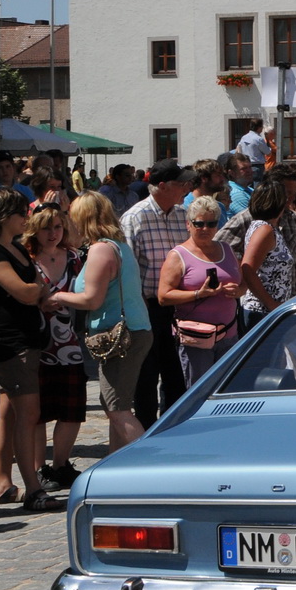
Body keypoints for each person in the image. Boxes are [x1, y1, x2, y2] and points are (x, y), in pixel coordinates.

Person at [0, 187, 59, 511]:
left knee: (8, 414)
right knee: (28, 414)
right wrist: (38, 289)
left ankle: (3, 485)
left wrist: (38, 288)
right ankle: (33, 489)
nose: (26, 218)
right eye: (21, 213)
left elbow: (40, 285)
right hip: (10, 344)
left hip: (26, 340)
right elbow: (26, 291)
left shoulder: (17, 247)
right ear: (4, 216)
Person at [57, 193, 152, 451]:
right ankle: (117, 463)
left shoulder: (101, 249)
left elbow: (91, 300)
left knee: (117, 407)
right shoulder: (117, 245)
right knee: (116, 403)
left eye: (71, 215)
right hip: (133, 330)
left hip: (121, 335)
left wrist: (56, 296)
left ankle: (149, 461)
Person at [118, 160, 195, 425]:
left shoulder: (182, 215)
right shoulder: (134, 218)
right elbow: (125, 271)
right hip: (146, 305)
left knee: (176, 374)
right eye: (180, 183)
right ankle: (147, 429)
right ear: (162, 186)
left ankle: (172, 427)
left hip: (178, 305)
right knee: (147, 376)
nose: (186, 187)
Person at [24, 205, 84, 492]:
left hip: (69, 343)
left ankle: (61, 464)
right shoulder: (25, 257)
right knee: (37, 412)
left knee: (71, 408)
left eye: (57, 227)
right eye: (46, 227)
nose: (52, 233)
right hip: (35, 343)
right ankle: (39, 468)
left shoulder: (74, 258)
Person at [158, 195, 245, 385]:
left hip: (229, 336)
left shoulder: (226, 249)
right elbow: (163, 296)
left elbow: (244, 282)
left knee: (227, 390)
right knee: (200, 392)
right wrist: (199, 294)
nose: (205, 229)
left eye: (211, 223)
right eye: (199, 224)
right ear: (188, 224)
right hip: (196, 340)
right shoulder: (178, 255)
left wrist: (237, 291)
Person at [238, 179, 294, 326]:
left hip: (271, 312)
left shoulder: (269, 228)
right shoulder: (264, 230)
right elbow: (248, 268)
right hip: (261, 312)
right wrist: (271, 304)